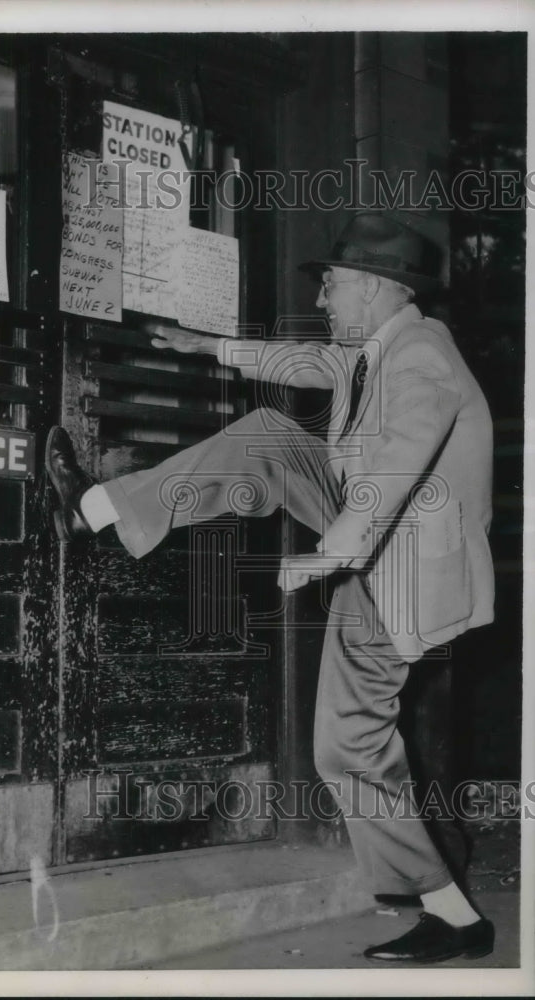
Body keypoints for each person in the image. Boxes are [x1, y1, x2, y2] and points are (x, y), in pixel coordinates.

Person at [46, 211, 495, 963]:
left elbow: (384, 480)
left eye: (332, 285)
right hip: (384, 544)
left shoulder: (419, 364)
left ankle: (454, 920)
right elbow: (306, 366)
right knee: (267, 436)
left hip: (405, 570)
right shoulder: (381, 347)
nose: (323, 300)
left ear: (379, 289)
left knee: (345, 751)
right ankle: (95, 508)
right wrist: (211, 347)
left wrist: (319, 559)